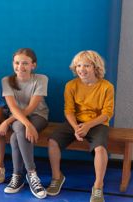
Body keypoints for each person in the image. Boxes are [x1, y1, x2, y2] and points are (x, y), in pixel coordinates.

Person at [46, 50, 114, 202]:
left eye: (87, 65)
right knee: (52, 142)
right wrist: (77, 127)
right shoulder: (71, 85)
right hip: (75, 122)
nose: (81, 69)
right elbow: (68, 110)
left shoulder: (107, 87)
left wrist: (88, 126)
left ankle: (98, 186)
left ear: (95, 67)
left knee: (100, 149)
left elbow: (106, 114)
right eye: (78, 66)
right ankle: (57, 177)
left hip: (97, 123)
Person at [0, 48, 49, 199]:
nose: (20, 67)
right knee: (19, 131)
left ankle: (19, 176)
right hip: (17, 117)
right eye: (17, 63)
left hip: (39, 116)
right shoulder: (6, 80)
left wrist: (9, 121)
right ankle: (30, 174)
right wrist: (26, 124)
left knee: (16, 136)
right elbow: (13, 107)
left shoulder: (41, 79)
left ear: (33, 65)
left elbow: (31, 108)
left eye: (25, 63)